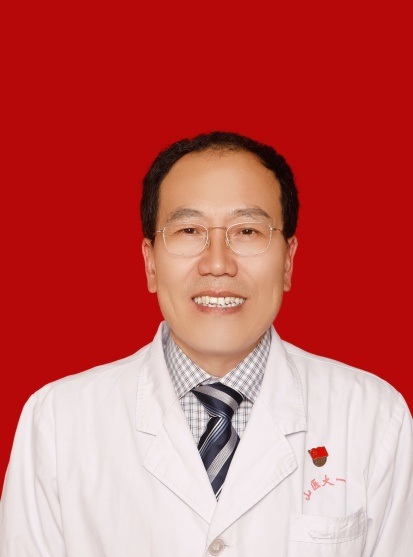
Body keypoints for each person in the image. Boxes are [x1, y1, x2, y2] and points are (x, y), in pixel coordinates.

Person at [0, 131, 412, 556]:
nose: (217, 264)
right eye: (189, 230)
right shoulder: (57, 422)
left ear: (288, 260)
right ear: (150, 262)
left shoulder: (375, 417)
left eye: (247, 231)